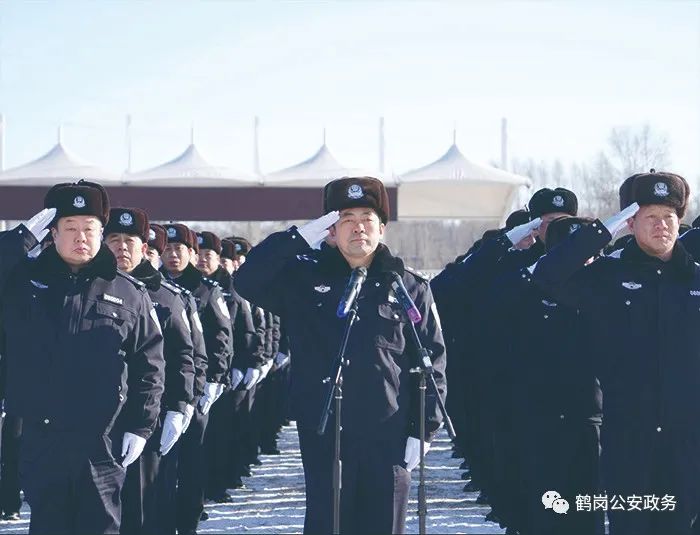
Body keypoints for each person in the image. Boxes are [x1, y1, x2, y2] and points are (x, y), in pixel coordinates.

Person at [235, 176, 447, 534]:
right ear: (330, 230)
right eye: (347, 218)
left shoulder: (408, 286)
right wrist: (298, 238)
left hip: (389, 435)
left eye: (367, 218)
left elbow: (433, 360)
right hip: (325, 434)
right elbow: (247, 280)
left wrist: (423, 430)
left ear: (382, 228)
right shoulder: (303, 278)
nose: (358, 227)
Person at [532, 170, 700, 535]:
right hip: (629, 440)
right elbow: (547, 276)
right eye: (650, 218)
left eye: (669, 217)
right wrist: (602, 232)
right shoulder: (607, 277)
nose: (662, 226)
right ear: (630, 222)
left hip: (686, 443)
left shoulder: (695, 280)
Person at [0, 181, 165, 534]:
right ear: (52, 233)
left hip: (101, 443)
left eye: (90, 229)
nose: (81, 238)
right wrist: (19, 239)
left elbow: (149, 363)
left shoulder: (128, 291)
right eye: (70, 228)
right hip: (42, 440)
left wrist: (141, 425)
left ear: (101, 233)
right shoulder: (21, 283)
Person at [103, 207, 196, 535]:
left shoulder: (166, 298)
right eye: (114, 239)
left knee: (147, 509)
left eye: (130, 240)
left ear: (145, 248)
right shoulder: (90, 290)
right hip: (101, 422)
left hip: (148, 419)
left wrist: (179, 406)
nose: (122, 247)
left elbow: (184, 356)